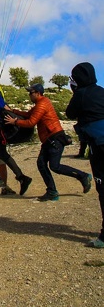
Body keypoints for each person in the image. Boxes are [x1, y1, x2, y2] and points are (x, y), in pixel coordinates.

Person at [5, 83, 92, 202]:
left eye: (31, 92)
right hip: (49, 140)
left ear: (38, 93)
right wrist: (12, 110)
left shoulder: (42, 104)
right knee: (41, 164)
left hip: (54, 138)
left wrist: (15, 122)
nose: (29, 95)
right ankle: (51, 191)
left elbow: (31, 122)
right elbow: (28, 114)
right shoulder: (39, 104)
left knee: (55, 166)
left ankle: (83, 176)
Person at [66, 62, 104, 248]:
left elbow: (69, 113)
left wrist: (75, 92)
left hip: (100, 147)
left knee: (103, 187)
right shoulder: (101, 91)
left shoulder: (80, 95)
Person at [69, 78, 88, 159]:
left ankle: (84, 153)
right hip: (83, 119)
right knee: (83, 137)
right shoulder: (83, 93)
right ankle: (83, 152)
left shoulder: (79, 94)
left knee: (85, 137)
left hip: (85, 119)